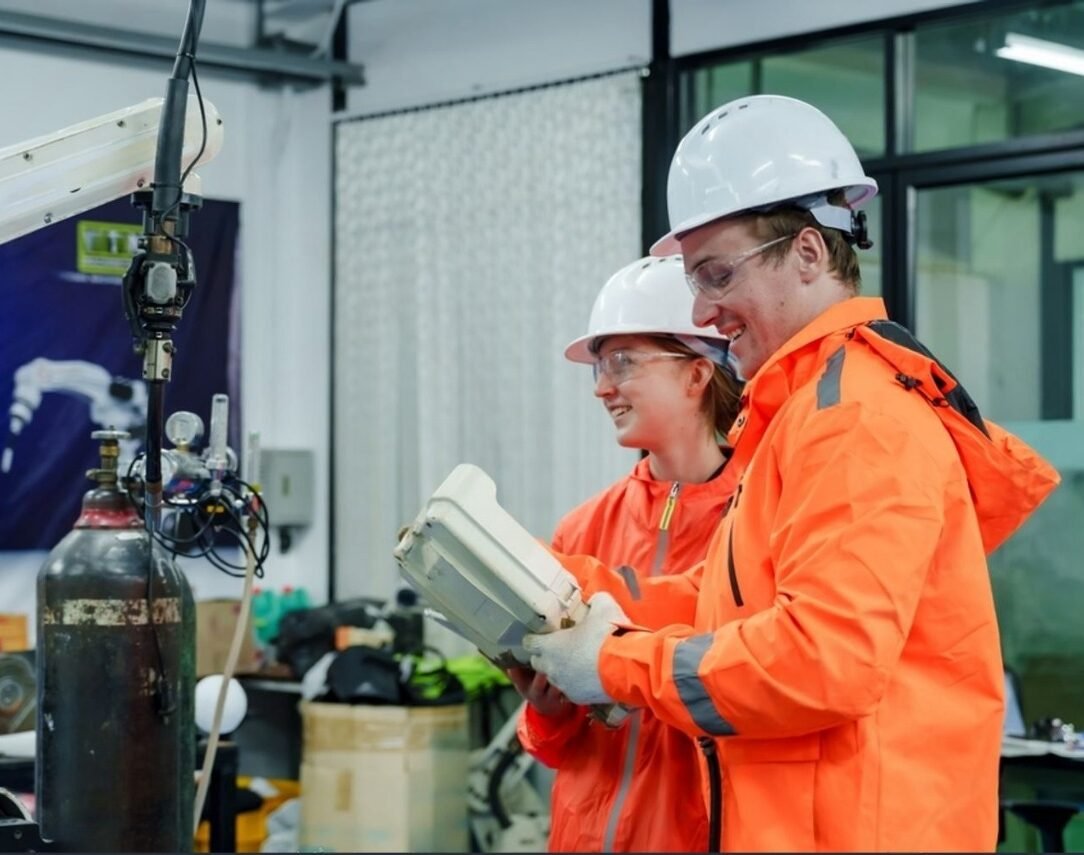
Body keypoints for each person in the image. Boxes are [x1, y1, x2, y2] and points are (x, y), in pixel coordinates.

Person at [522, 94, 1061, 852]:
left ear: (808, 252)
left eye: (716, 276)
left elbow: (821, 660)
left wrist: (614, 661)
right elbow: (727, 604)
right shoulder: (802, 414)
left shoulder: (855, 417)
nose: (703, 314)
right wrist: (563, 587)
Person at [509, 255, 742, 852]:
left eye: (623, 362)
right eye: (599, 367)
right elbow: (557, 750)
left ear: (696, 373)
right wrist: (547, 709)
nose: (601, 387)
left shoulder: (757, 519)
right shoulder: (582, 528)